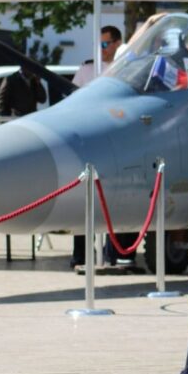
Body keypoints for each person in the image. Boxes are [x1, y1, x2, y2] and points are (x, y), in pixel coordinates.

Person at [71, 24, 139, 270]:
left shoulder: (129, 70)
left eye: (105, 44)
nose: (101, 50)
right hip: (91, 143)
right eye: (98, 45)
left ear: (118, 44)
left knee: (121, 200)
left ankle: (119, 254)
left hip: (121, 144)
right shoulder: (88, 69)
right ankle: (81, 255)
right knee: (85, 201)